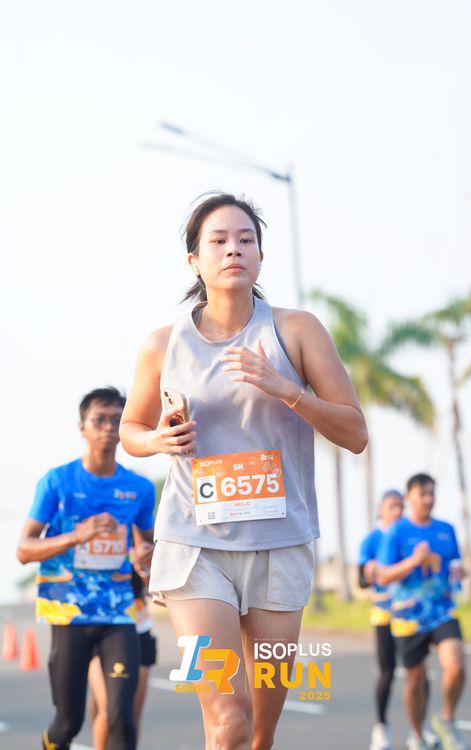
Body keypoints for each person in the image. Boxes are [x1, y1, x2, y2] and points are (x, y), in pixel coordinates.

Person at [119, 192, 368, 750]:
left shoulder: (296, 331)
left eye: (246, 239)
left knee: (259, 730)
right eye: (219, 240)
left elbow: (355, 433)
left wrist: (286, 388)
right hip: (193, 548)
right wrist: (157, 439)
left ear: (260, 256)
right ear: (194, 261)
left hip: (280, 548)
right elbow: (130, 429)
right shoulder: (162, 345)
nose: (234, 249)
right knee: (227, 721)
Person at [16, 387, 155, 750]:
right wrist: (78, 535)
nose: (109, 427)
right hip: (69, 613)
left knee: (121, 716)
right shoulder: (57, 481)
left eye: (117, 420)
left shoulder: (139, 488)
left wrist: (146, 557)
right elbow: (24, 550)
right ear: (82, 427)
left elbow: (148, 547)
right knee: (68, 723)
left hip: (118, 612)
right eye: (99, 419)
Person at [378, 473, 467, 750]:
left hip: (442, 610)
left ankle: (447, 719)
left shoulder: (446, 529)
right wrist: (414, 560)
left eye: (432, 493)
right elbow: (383, 576)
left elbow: (454, 567)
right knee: (415, 680)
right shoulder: (397, 532)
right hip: (408, 615)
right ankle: (417, 735)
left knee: (456, 667)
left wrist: (459, 574)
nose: (428, 499)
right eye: (423, 494)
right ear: (409, 497)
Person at [359, 490, 440, 750]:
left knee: (420, 672)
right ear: (380, 509)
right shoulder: (372, 539)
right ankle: (381, 728)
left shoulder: (408, 534)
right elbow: (361, 580)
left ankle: (421, 726)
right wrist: (371, 573)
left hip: (410, 614)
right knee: (387, 671)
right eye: (392, 506)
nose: (397, 511)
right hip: (384, 614)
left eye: (400, 506)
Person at [88, 566, 157, 749]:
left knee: (131, 713)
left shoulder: (143, 547)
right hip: (102, 628)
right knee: (109, 708)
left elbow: (155, 584)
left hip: (139, 628)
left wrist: (144, 569)